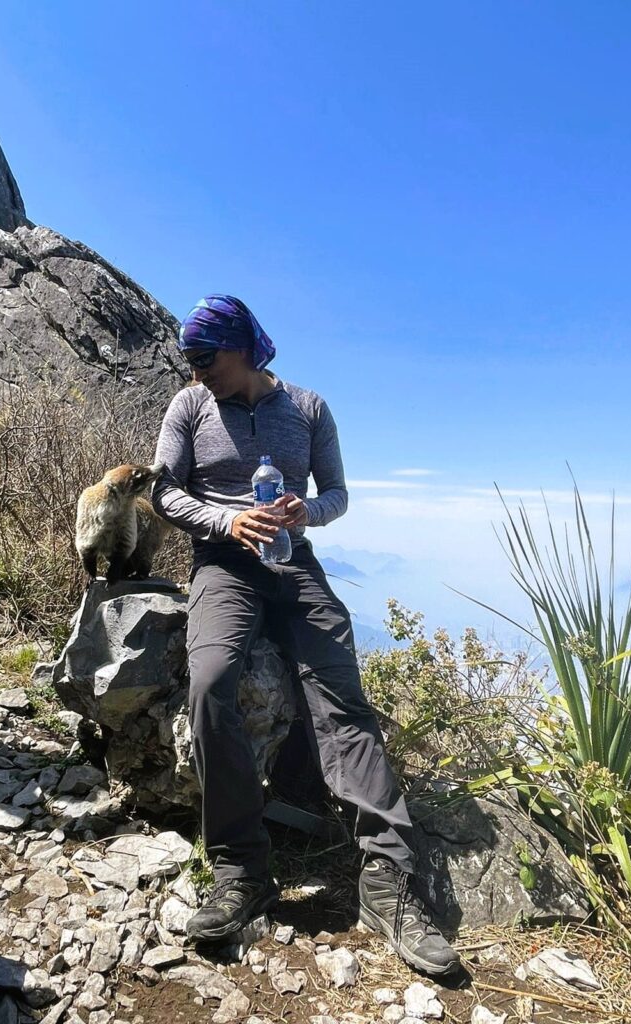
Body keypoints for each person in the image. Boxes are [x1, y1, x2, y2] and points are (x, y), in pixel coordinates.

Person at [152, 295, 459, 978]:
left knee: (343, 697)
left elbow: (339, 494)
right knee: (209, 685)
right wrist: (228, 524)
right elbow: (163, 493)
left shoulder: (310, 408)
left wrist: (306, 513)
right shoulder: (189, 407)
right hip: (223, 566)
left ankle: (387, 881)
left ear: (245, 348)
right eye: (190, 361)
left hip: (295, 564)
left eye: (207, 358)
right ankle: (240, 867)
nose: (197, 372)